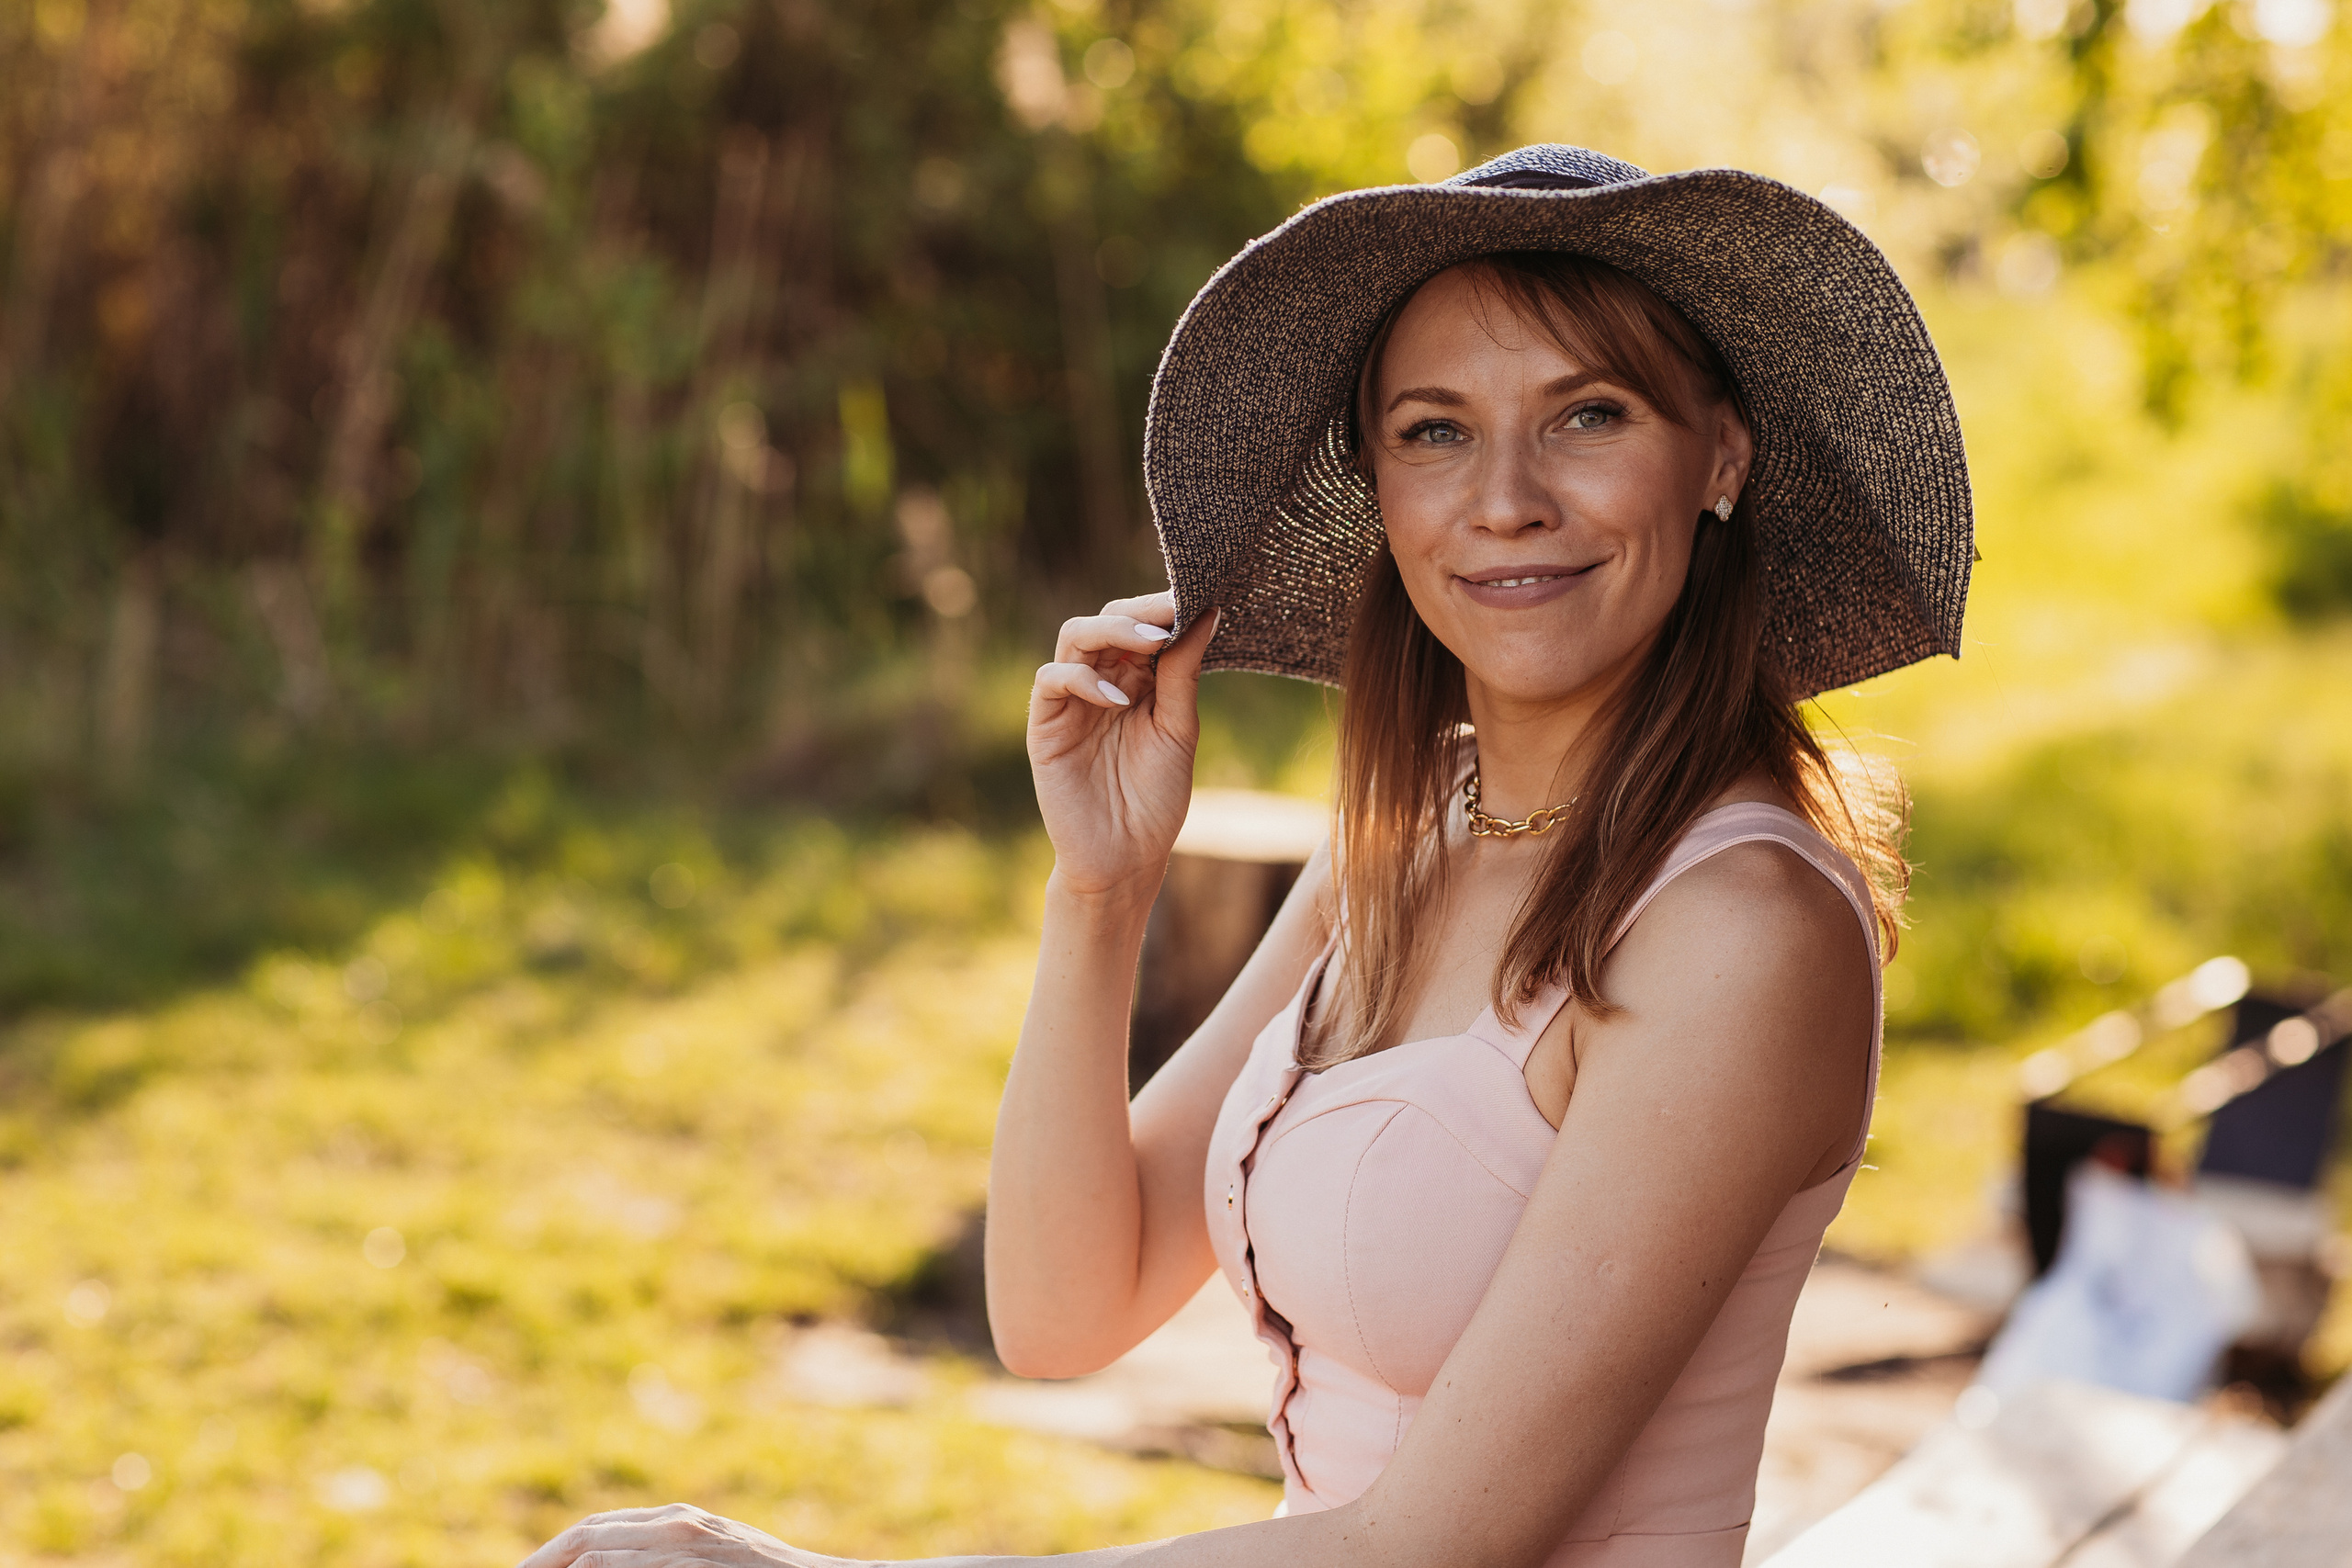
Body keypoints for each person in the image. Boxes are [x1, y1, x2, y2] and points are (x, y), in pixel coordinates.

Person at [524, 143, 1973, 1568]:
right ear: (1379, 489)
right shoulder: (1403, 845)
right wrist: (1101, 894)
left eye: (1588, 416)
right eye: (1435, 429)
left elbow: (1437, 1542)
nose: (1508, 497)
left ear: (1719, 453)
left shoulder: (1741, 931)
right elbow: (1062, 1307)